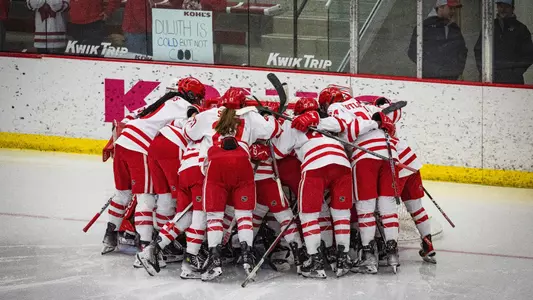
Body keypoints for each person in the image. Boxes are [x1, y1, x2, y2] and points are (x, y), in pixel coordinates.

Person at [101, 77, 205, 261]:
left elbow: (128, 118)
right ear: (190, 95)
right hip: (140, 146)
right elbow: (197, 122)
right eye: (197, 97)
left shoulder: (161, 101)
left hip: (123, 141)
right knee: (146, 198)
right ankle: (145, 247)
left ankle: (110, 235)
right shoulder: (185, 105)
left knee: (122, 193)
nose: (198, 101)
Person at [184, 87, 281, 281]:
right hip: (242, 164)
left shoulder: (208, 114)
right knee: (244, 214)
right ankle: (247, 256)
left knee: (214, 216)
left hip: (215, 164)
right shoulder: (251, 115)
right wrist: (269, 115)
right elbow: (273, 131)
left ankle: (214, 258)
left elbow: (189, 133)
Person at [273, 97, 353, 279]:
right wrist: (317, 119)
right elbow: (342, 123)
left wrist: (281, 126)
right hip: (342, 164)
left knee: (308, 215)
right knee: (341, 213)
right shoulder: (328, 121)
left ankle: (315, 262)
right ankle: (343, 259)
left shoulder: (293, 126)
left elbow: (278, 153)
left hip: (315, 165)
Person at [474, 0, 533, 84]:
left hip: (513, 81)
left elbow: (529, 54)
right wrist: (483, 70)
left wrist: (515, 73)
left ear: (512, 8)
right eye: (500, 6)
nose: (503, 9)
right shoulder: (489, 26)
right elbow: (479, 50)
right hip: (490, 79)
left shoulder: (521, 29)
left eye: (506, 6)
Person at [408, 0, 468, 80]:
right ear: (440, 7)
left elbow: (462, 51)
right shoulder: (424, 27)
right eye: (450, 8)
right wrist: (430, 69)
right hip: (429, 81)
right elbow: (413, 52)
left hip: (452, 81)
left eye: (454, 9)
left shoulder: (454, 28)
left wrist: (456, 70)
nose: (453, 11)